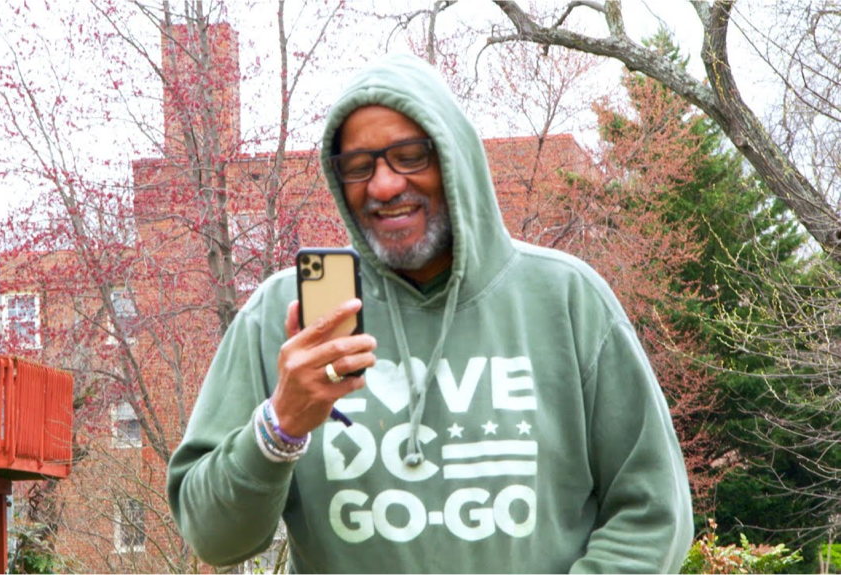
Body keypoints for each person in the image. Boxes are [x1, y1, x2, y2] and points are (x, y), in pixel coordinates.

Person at [167, 54, 693, 573]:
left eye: (409, 156)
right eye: (358, 166)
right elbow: (213, 536)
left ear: (452, 157)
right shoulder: (283, 319)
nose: (384, 186)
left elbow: (652, 513)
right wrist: (280, 427)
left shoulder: (567, 300)